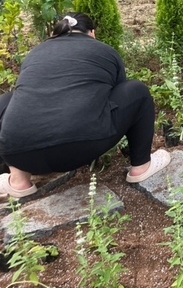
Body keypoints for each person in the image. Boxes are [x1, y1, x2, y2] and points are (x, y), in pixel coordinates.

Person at [0, 13, 170, 200]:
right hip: (81, 148)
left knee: (7, 100)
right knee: (136, 91)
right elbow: (118, 95)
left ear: (56, 33)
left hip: (17, 153)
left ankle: (19, 180)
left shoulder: (35, 53)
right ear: (92, 33)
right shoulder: (104, 50)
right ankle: (141, 166)